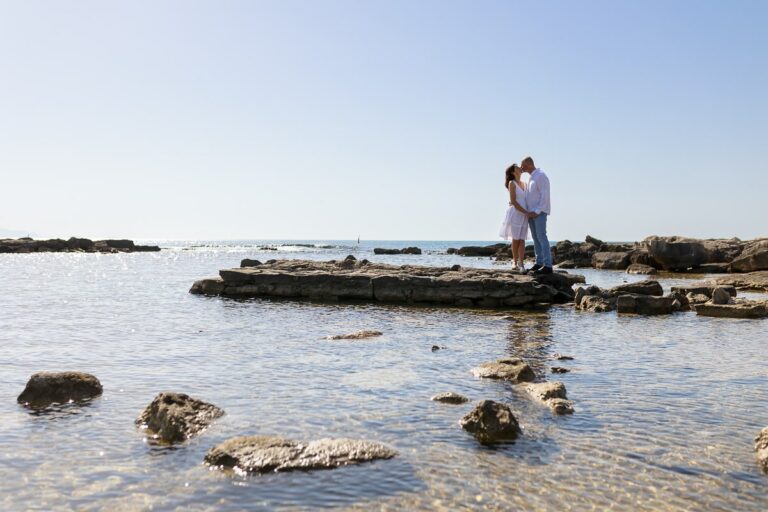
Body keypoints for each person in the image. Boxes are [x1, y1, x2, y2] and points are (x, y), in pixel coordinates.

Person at [520, 156, 553, 275]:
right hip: (531, 213)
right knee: (536, 238)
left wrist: (537, 211)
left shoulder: (540, 176)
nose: (521, 167)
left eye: (523, 165)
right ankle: (539, 263)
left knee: (541, 236)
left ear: (528, 164)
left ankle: (548, 265)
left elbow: (545, 195)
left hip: (539, 212)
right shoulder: (531, 178)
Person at [498, 163, 530, 271]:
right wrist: (525, 211)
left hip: (525, 214)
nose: (519, 167)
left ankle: (521, 263)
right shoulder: (512, 183)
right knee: (515, 239)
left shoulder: (525, 184)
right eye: (517, 167)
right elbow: (513, 201)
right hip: (516, 213)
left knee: (522, 239)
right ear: (513, 172)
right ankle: (514, 262)